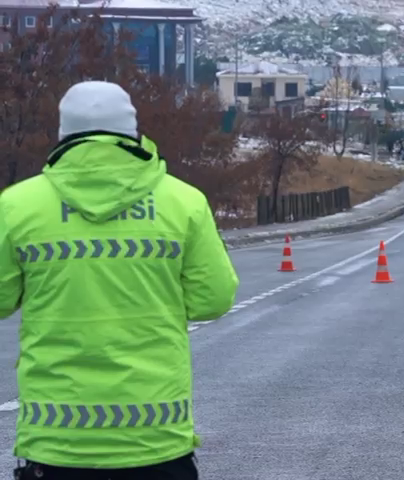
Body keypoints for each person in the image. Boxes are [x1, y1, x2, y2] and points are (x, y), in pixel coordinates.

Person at [0, 81, 240, 479]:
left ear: (63, 135)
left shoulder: (16, 206)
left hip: (57, 444)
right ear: (132, 133)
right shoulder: (183, 201)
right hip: (156, 441)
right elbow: (212, 300)